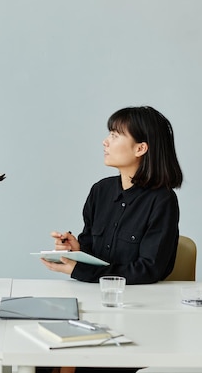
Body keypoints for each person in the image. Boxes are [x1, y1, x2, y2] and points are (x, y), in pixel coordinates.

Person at [39, 106, 183, 373]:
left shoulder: (162, 201)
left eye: (115, 135)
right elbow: (93, 250)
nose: (105, 142)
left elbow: (148, 269)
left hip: (135, 318)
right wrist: (77, 250)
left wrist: (79, 269)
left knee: (68, 363)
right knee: (39, 356)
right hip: (92, 307)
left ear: (141, 148)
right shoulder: (100, 191)